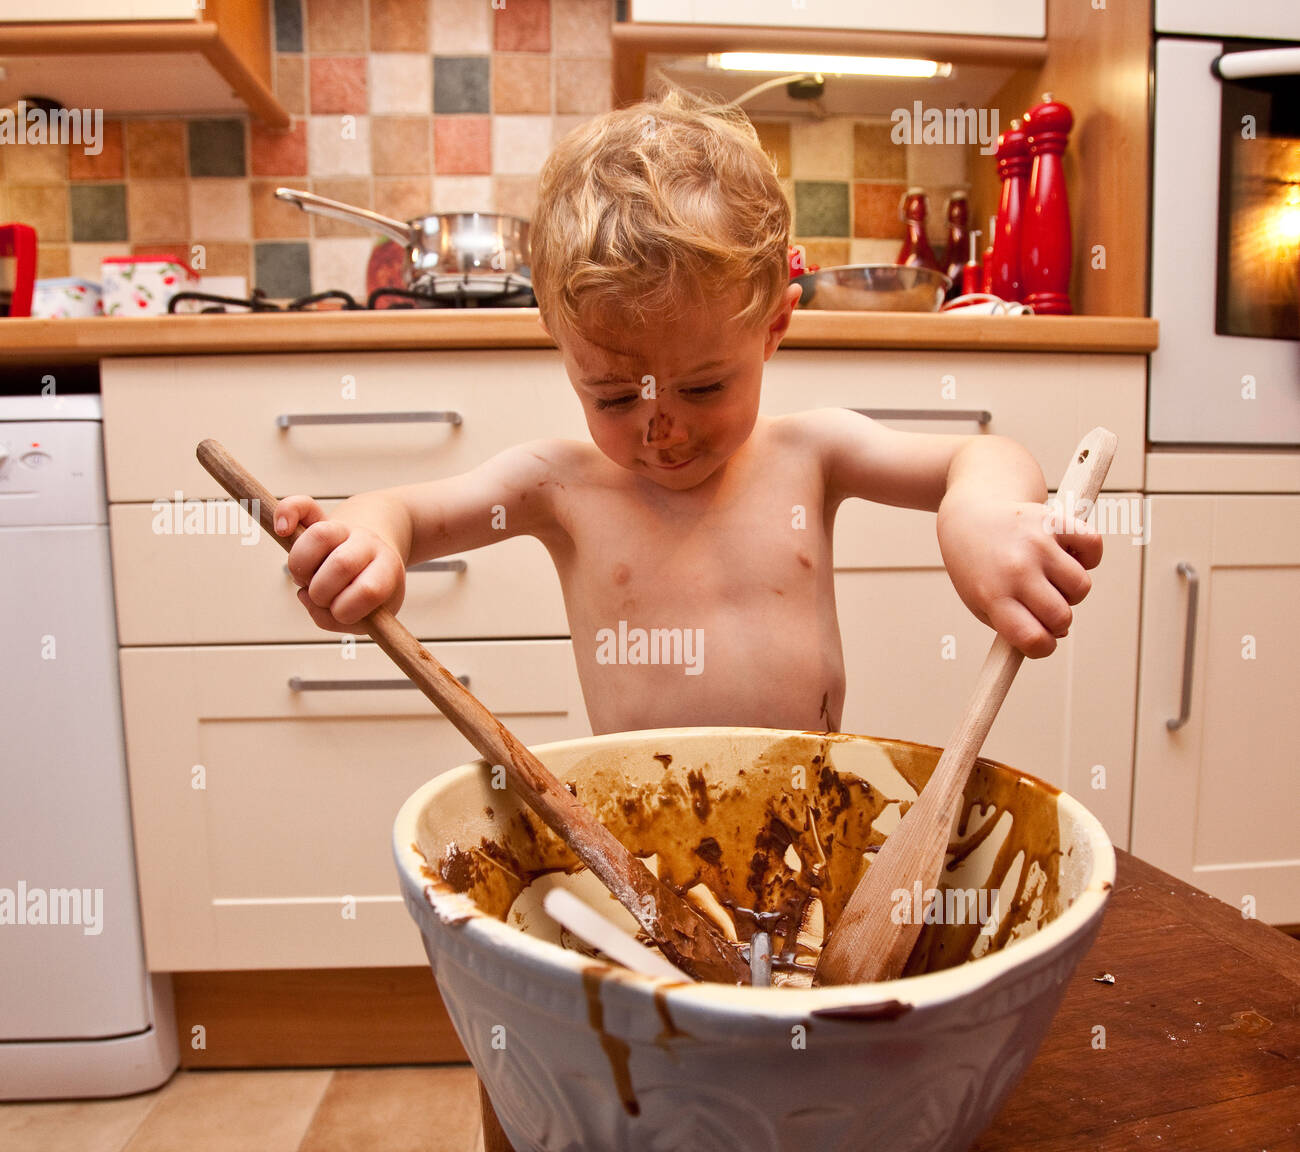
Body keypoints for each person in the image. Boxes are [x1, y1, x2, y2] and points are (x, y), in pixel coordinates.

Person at [275, 87, 1100, 737]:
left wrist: (982, 513)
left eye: (703, 387)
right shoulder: (553, 486)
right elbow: (404, 514)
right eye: (611, 396)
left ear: (774, 324)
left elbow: (985, 457)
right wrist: (366, 540)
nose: (660, 426)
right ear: (561, 345)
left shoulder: (815, 454)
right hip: (640, 853)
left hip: (809, 833)